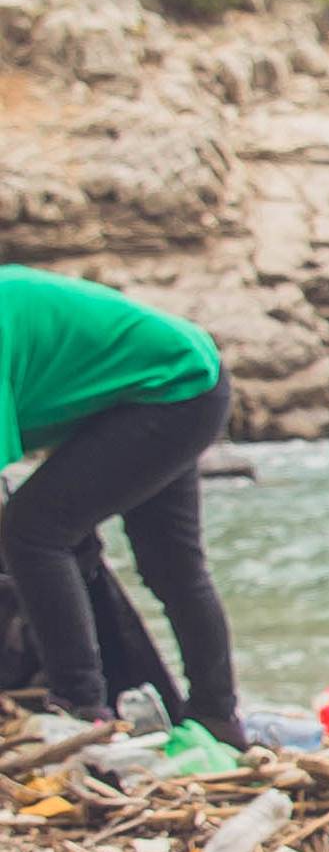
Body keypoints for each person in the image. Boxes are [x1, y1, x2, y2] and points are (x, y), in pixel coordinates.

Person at [0, 267, 243, 745]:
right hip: (174, 379)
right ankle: (218, 719)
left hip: (173, 388)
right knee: (171, 567)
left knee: (31, 532)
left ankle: (80, 707)